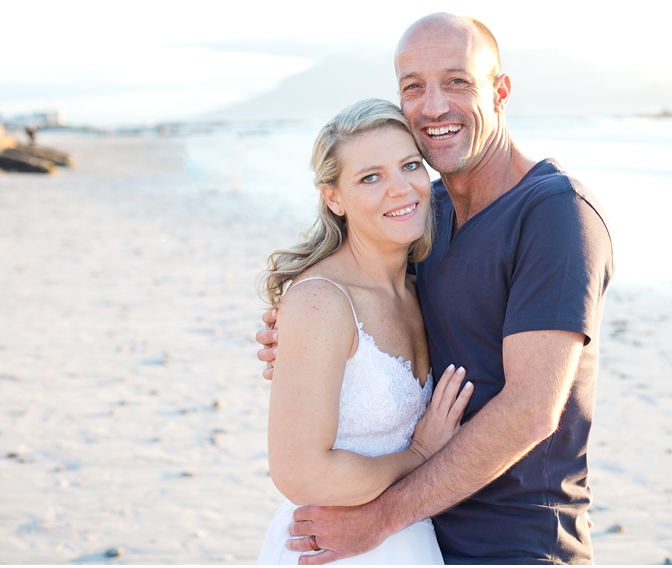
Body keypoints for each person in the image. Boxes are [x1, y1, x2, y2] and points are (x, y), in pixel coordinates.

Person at [257, 13, 615, 564]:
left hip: (513, 542)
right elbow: (365, 316)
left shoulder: (554, 214)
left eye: (457, 81)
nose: (433, 106)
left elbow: (530, 410)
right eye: (413, 87)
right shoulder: (427, 219)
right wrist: (298, 337)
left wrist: (382, 518)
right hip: (423, 538)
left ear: (500, 91)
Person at [255, 98, 474, 564]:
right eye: (370, 177)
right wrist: (418, 456)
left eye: (410, 165)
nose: (400, 189)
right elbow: (301, 473)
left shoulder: (421, 289)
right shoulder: (322, 301)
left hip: (412, 543)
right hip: (335, 548)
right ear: (333, 197)